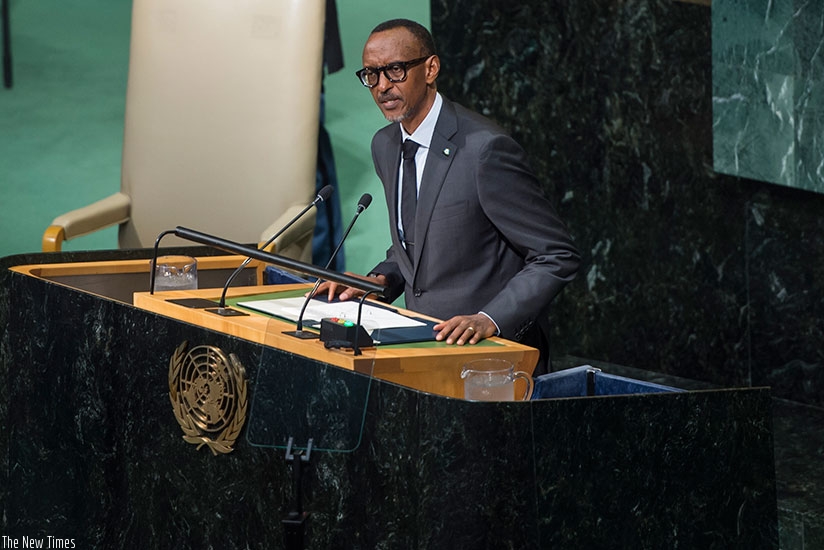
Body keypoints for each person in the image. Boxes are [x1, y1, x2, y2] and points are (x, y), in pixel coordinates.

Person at [320, 18, 580, 375]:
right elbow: (417, 244)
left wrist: (491, 318)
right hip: (422, 353)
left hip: (491, 362)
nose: (382, 86)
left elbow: (556, 255)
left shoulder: (484, 151)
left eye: (394, 70)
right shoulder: (385, 144)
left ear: (430, 69)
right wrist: (379, 281)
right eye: (371, 74)